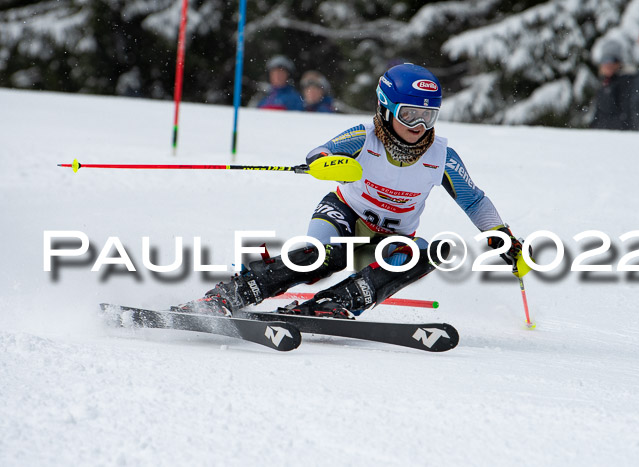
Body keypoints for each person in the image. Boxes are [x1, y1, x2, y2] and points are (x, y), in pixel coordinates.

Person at [181, 64, 531, 318]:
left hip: (389, 237)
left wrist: (504, 238)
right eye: (410, 115)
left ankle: (333, 304)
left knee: (426, 253)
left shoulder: (441, 156)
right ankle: (232, 294)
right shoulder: (364, 137)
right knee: (321, 255)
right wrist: (325, 162)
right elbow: (320, 152)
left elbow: (475, 201)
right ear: (386, 107)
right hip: (344, 213)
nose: (420, 126)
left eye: (429, 116)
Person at [590, 42, 633, 130]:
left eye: (612, 60)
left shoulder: (626, 83)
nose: (608, 64)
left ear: (618, 63)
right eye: (605, 59)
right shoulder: (603, 85)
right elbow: (598, 115)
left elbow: (626, 114)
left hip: (617, 135)